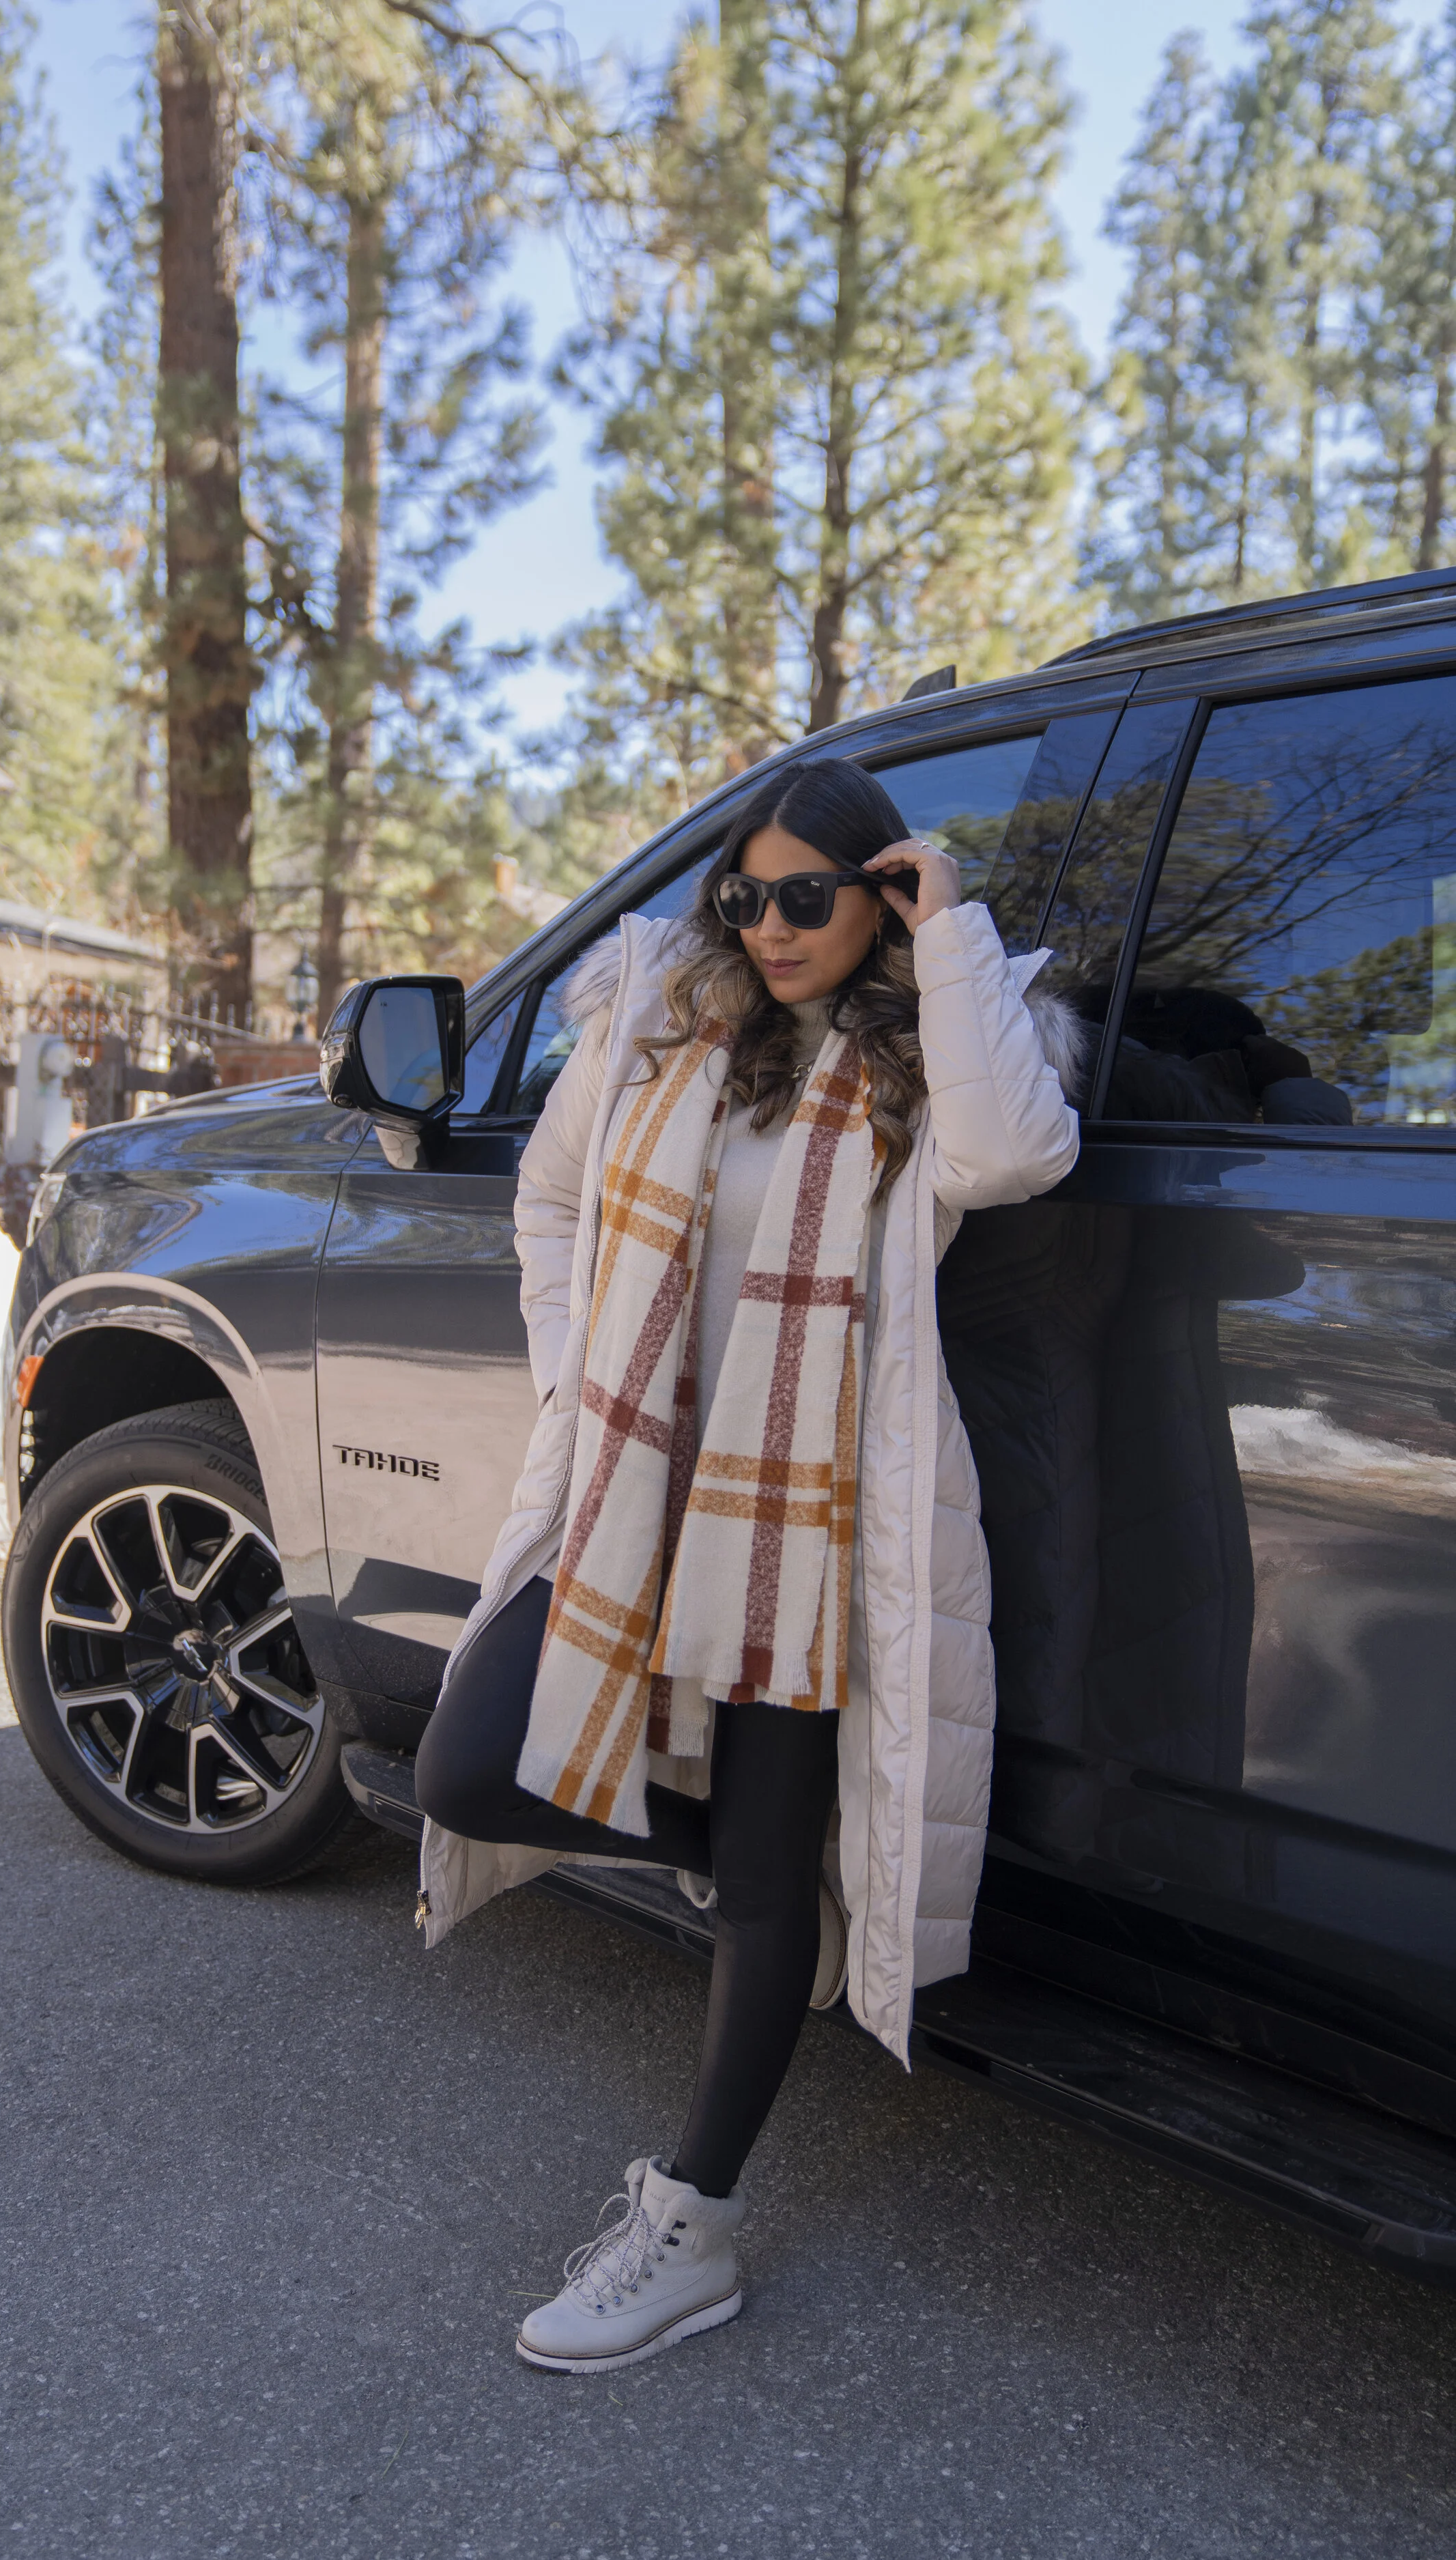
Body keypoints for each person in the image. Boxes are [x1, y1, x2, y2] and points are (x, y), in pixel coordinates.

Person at [414, 757, 1081, 2374]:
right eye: (745, 895)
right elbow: (549, 1204)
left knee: (764, 1885)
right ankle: (783, 1884)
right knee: (469, 1762)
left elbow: (1014, 1156)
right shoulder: (659, 1020)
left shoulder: (939, 1045)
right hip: (631, 1485)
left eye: (807, 896)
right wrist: (577, 1380)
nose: (770, 928)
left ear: (878, 893)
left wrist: (946, 936)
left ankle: (692, 2224)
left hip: (798, 1519)